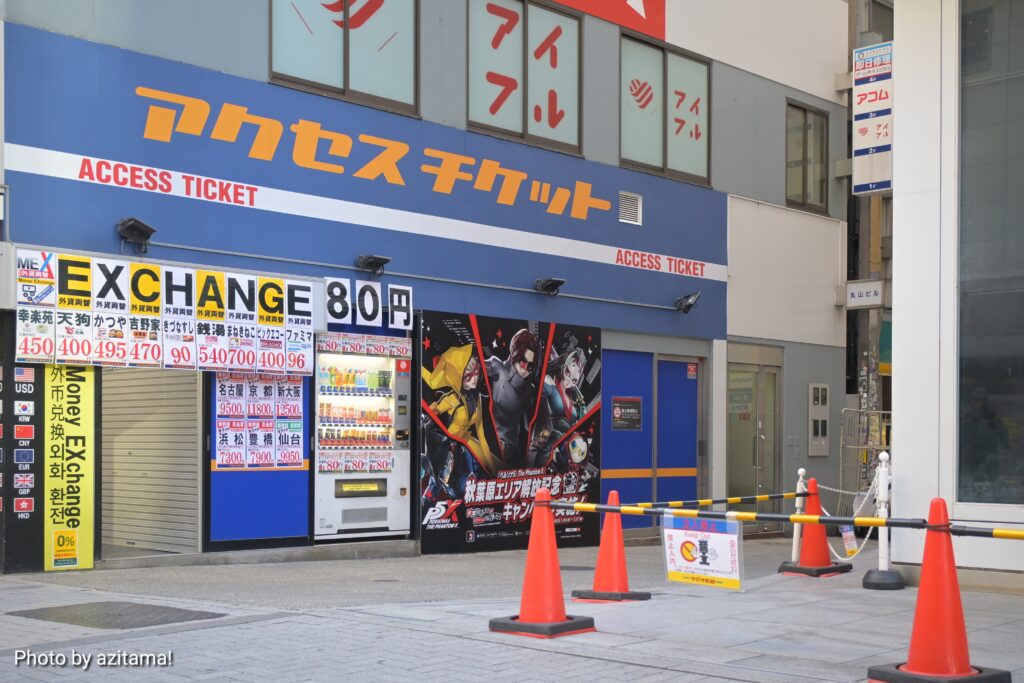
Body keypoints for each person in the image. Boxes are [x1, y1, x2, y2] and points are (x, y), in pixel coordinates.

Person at [421, 345, 502, 504]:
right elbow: (433, 410)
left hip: (465, 442)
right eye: (468, 375)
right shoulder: (453, 399)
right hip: (448, 444)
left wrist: (493, 467)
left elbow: (481, 434)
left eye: (476, 372)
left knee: (476, 471)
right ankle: (428, 498)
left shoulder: (477, 400)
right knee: (440, 475)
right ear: (458, 377)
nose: (474, 379)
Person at [485, 328, 540, 467]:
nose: (525, 368)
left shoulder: (528, 389)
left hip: (513, 452)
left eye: (530, 366)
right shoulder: (497, 368)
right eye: (523, 362)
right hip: (492, 446)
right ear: (515, 354)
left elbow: (529, 426)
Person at [529, 347, 586, 470]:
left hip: (566, 448)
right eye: (568, 373)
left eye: (574, 380)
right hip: (549, 440)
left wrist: (580, 402)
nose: (569, 381)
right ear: (563, 367)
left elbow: (578, 423)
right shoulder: (550, 384)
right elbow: (538, 394)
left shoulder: (572, 400)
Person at [960, 386, 1008, 486]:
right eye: (975, 400)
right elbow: (959, 433)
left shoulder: (992, 415)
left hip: (989, 452)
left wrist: (1005, 445)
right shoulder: (966, 415)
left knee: (992, 479)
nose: (977, 402)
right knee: (972, 479)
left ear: (985, 401)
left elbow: (1002, 431)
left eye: (980, 400)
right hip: (971, 453)